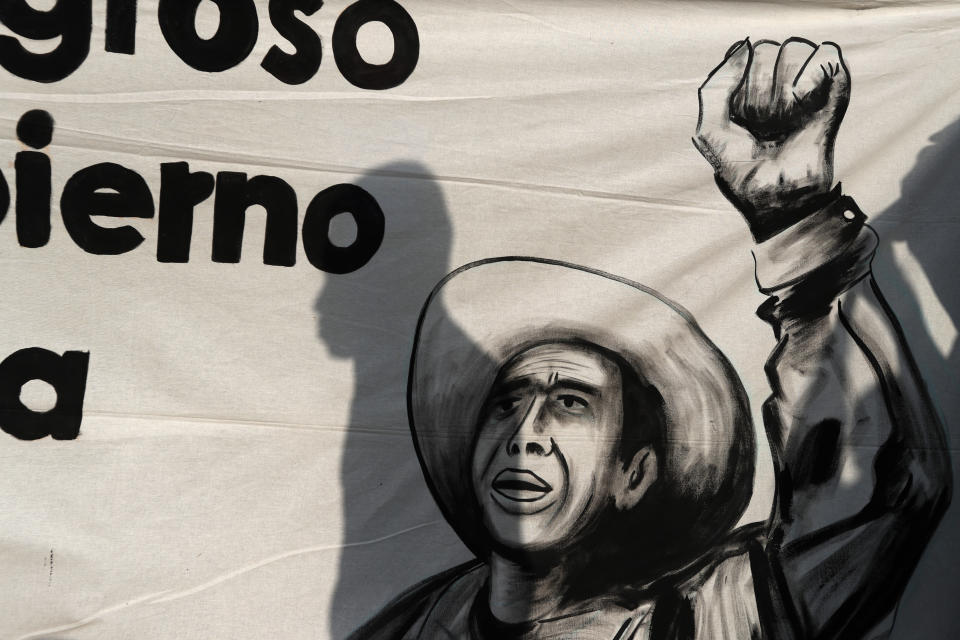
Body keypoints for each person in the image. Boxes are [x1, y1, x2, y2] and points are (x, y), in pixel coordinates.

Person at [349, 38, 952, 640]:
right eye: (508, 401)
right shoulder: (408, 628)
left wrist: (794, 217)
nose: (524, 435)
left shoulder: (716, 619)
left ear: (633, 475)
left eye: (570, 403)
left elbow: (877, 493)